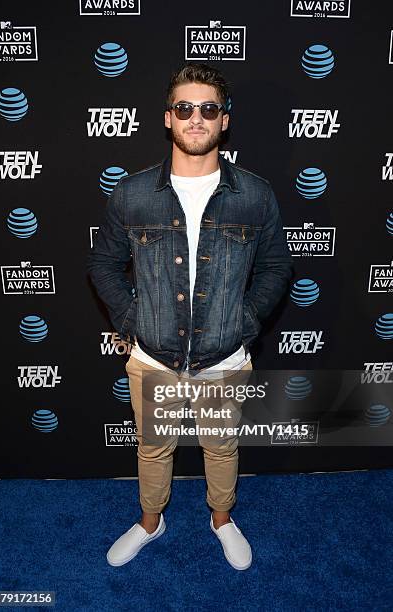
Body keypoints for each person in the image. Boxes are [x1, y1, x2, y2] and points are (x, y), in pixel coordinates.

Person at [86, 63, 294, 570]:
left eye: (208, 109)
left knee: (220, 448)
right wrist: (132, 318)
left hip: (224, 354)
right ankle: (150, 523)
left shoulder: (255, 195)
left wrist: (246, 322)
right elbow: (104, 264)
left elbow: (276, 266)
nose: (195, 118)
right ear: (168, 119)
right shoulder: (132, 195)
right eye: (185, 109)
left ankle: (221, 519)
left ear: (224, 121)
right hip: (153, 356)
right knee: (153, 448)